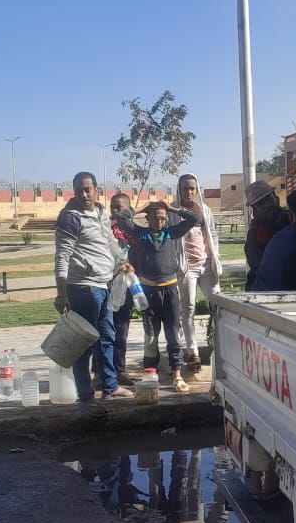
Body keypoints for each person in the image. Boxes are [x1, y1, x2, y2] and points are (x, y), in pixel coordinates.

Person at [53, 171, 134, 404]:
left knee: (107, 337)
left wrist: (122, 262)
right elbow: (62, 256)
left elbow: (110, 242)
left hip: (103, 284)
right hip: (83, 288)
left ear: (96, 190)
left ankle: (110, 386)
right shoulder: (70, 217)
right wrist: (61, 292)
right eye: (79, 190)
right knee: (85, 342)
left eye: (88, 189)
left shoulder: (100, 212)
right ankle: (85, 395)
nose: (84, 194)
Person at [116, 200, 199, 392]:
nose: (159, 221)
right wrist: (141, 208)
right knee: (151, 336)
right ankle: (150, 374)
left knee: (173, 334)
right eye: (155, 218)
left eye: (162, 218)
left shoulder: (171, 232)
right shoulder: (140, 233)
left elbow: (194, 218)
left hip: (170, 291)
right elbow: (121, 218)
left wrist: (173, 209)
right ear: (148, 218)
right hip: (149, 292)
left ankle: (177, 375)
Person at [172, 173, 222, 372]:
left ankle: (220, 345)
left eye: (192, 188)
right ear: (179, 189)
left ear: (197, 189)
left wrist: (215, 256)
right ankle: (192, 352)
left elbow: (213, 234)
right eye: (185, 188)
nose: (189, 192)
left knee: (218, 305)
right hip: (186, 268)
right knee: (188, 308)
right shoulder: (173, 211)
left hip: (206, 265)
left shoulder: (204, 209)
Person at [109, 192, 137, 385]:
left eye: (120, 207)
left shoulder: (133, 230)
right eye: (113, 207)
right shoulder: (106, 228)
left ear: (129, 210)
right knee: (104, 331)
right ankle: (101, 373)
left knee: (121, 331)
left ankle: (120, 371)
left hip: (125, 287)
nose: (115, 210)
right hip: (106, 285)